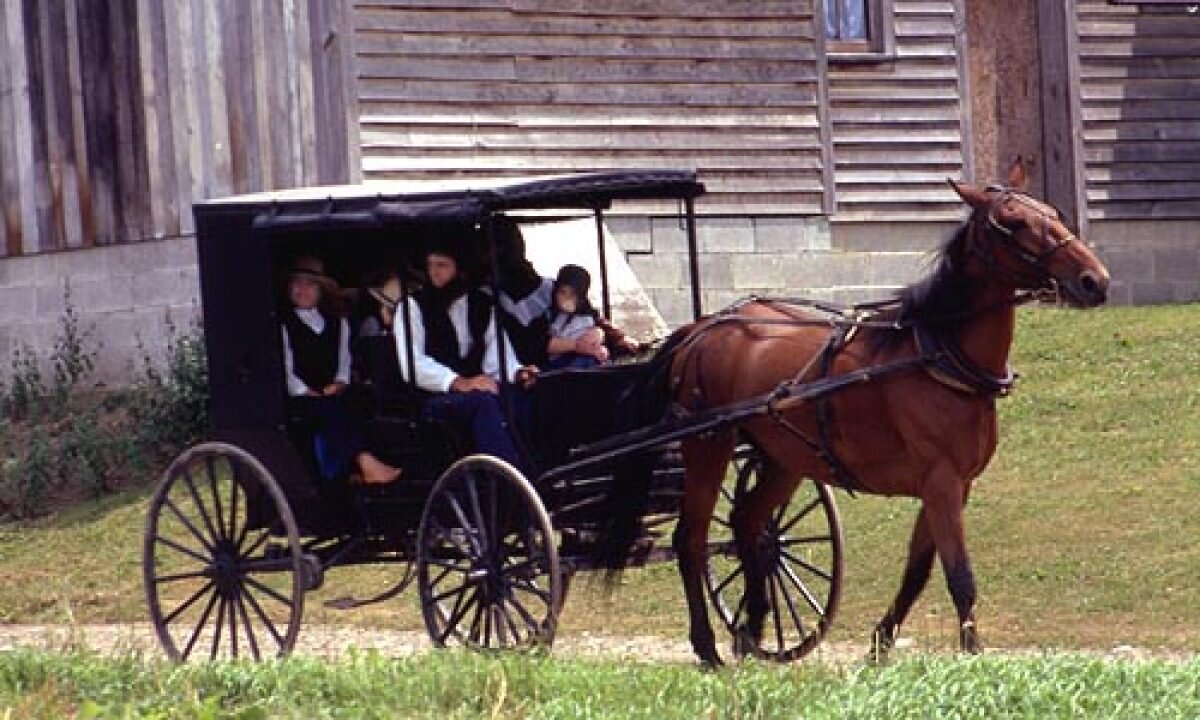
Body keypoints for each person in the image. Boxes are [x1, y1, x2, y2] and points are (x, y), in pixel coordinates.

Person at [393, 239, 537, 469]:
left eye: (442, 265)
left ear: (459, 271)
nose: (434, 273)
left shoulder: (481, 304)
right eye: (431, 265)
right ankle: (509, 477)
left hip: (476, 391)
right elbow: (413, 364)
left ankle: (538, 466)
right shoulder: (412, 307)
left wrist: (519, 372)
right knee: (482, 402)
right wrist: (458, 382)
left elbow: (496, 355)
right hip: (433, 398)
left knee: (523, 396)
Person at [281, 255, 401, 485]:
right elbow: (286, 368)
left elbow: (344, 361)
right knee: (327, 409)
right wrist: (305, 391)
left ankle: (361, 468)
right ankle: (365, 463)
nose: (303, 289)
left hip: (332, 392)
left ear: (320, 290)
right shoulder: (284, 324)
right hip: (302, 399)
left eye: (310, 284)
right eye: (297, 283)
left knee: (362, 399)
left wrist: (340, 382)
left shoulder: (338, 323)